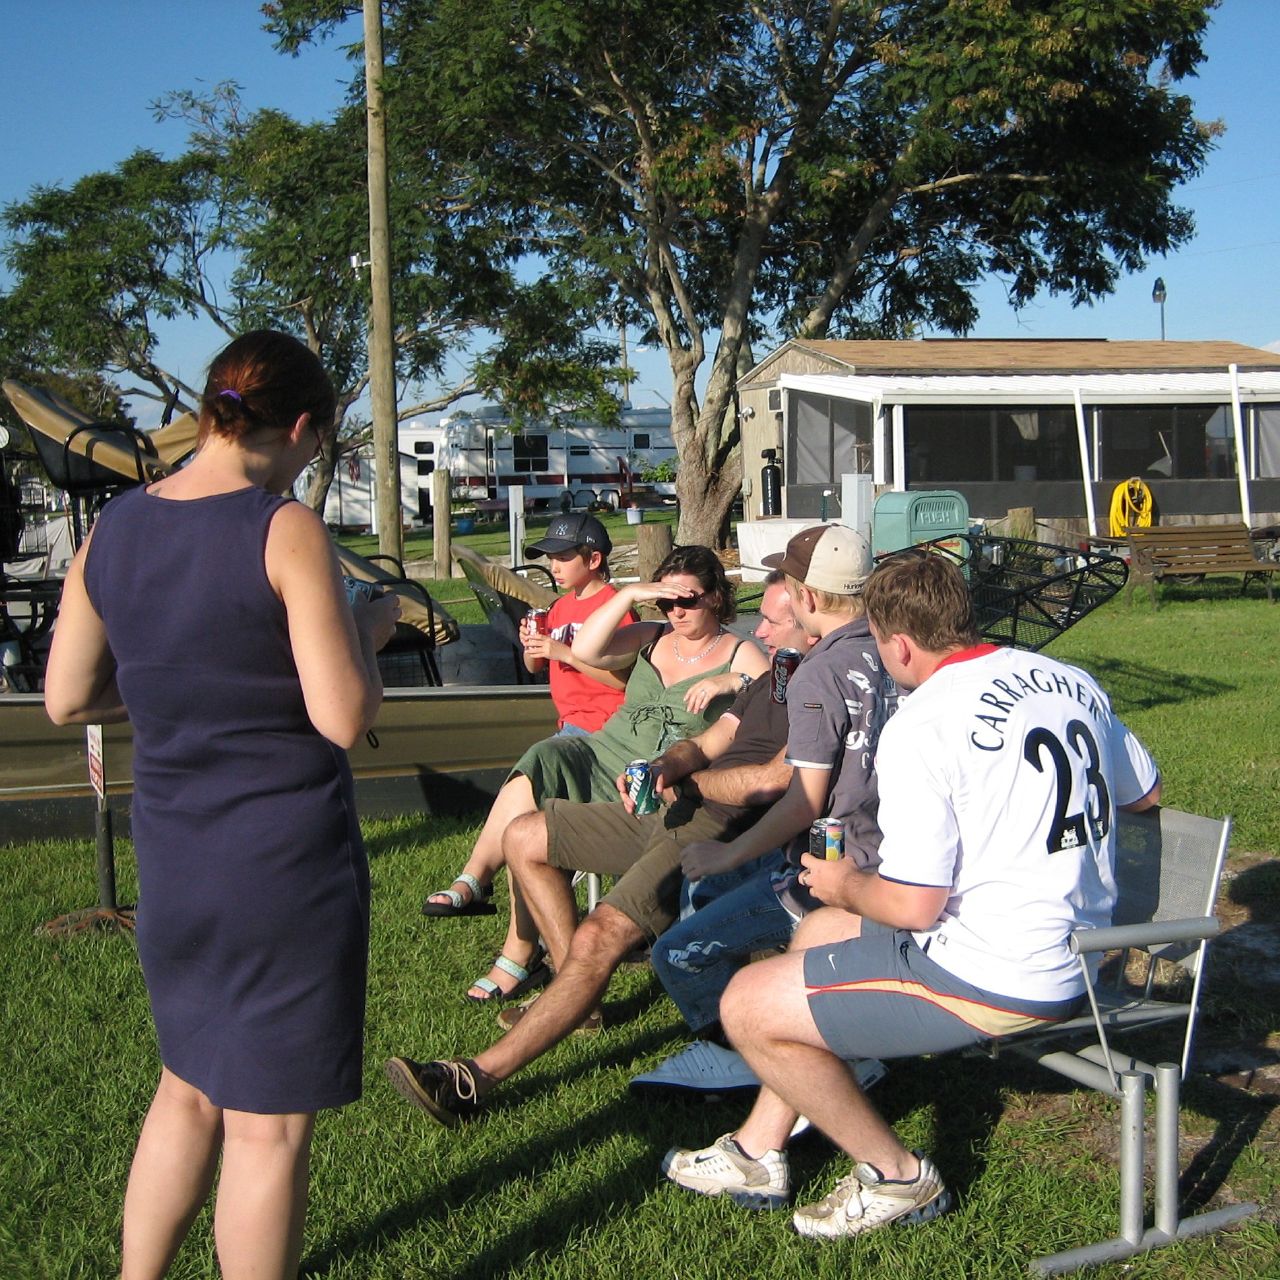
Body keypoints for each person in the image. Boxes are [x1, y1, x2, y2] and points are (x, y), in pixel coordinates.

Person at [662, 551, 1161, 1242]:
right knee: (815, 936)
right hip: (1089, 948)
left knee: (746, 1003)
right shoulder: (1067, 678)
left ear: (898, 642)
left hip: (1001, 974)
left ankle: (897, 1176)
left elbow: (913, 906)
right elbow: (1147, 794)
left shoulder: (923, 724)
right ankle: (756, 1152)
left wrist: (842, 882)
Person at [43, 330, 400, 1280]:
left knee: (187, 1087)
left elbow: (68, 697)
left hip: (175, 863)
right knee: (268, 1129)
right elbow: (340, 715)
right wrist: (370, 631)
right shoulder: (280, 526)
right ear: (297, 427)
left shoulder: (114, 525)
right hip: (279, 869)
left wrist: (181, 687)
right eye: (315, 447)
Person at [383, 573, 811, 1122]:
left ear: (812, 619)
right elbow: (709, 741)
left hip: (717, 831)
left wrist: (688, 785)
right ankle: (572, 994)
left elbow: (775, 780)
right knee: (525, 835)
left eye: (776, 621)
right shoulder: (774, 676)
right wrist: (664, 766)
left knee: (600, 934)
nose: (763, 629)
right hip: (671, 806)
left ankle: (473, 1078)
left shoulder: (817, 684)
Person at [425, 543, 767, 1002]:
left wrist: (733, 682)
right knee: (544, 758)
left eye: (686, 600)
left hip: (655, 774)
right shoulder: (651, 634)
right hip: (606, 749)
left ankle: (519, 955)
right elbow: (583, 648)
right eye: (666, 601)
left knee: (531, 820)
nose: (676, 611)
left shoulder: (739, 652)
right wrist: (627, 596)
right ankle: (475, 879)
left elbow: (773, 696)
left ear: (714, 598)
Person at [655, 525, 895, 1047]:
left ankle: (747, 1058)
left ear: (806, 596)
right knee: (709, 890)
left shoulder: (819, 672)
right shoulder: (895, 651)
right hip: (897, 857)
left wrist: (728, 854)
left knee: (674, 953)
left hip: (832, 867)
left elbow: (804, 800)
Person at [421, 512, 637, 1000]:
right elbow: (540, 664)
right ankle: (513, 944)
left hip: (605, 738)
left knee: (531, 800)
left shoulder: (614, 608)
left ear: (594, 559)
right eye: (550, 557)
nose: (554, 565)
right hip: (568, 733)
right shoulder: (559, 607)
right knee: (528, 823)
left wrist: (565, 655)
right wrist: (533, 649)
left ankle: (483, 893)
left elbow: (626, 682)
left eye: (563, 556)